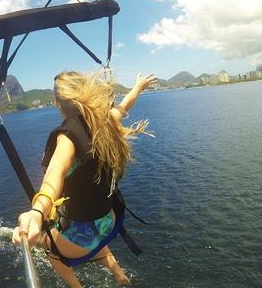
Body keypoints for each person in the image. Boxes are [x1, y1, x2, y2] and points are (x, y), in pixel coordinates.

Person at [12, 71, 157, 287]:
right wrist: (138, 86)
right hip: (109, 219)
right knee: (88, 233)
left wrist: (37, 211)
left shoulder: (67, 137)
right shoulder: (104, 123)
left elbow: (56, 172)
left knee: (50, 248)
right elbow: (124, 106)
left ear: (57, 103)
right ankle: (120, 275)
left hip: (86, 232)